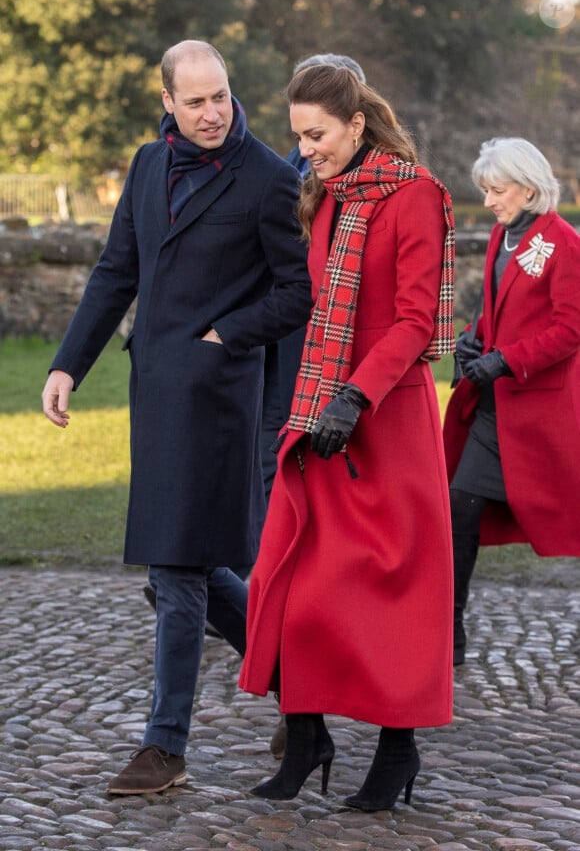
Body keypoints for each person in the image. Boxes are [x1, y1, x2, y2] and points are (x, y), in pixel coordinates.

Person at [41, 40, 312, 796]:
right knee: (193, 567)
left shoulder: (265, 178)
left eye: (220, 96)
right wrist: (67, 364)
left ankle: (165, 746)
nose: (212, 112)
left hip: (221, 401)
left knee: (176, 567)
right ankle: (301, 686)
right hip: (155, 396)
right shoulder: (146, 165)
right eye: (194, 101)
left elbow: (297, 294)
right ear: (167, 101)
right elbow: (115, 272)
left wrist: (226, 335)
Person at [239, 64, 456, 811]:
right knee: (295, 582)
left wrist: (356, 396)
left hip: (384, 419)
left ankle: (398, 753)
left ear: (356, 125)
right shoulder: (326, 198)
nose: (304, 151)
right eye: (297, 136)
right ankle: (307, 739)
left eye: (317, 135)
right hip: (320, 413)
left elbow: (415, 322)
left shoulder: (416, 195)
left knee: (393, 594)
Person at [443, 137, 580, 667]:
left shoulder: (563, 243)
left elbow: (570, 329)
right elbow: (499, 311)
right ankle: (449, 628)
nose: (490, 202)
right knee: (459, 505)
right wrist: (473, 339)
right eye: (487, 191)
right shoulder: (505, 233)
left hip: (536, 411)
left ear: (528, 188)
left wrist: (506, 360)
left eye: (497, 191)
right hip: (495, 408)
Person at [261, 53, 367, 501]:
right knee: (274, 448)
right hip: (284, 333)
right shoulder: (283, 170)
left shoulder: (373, 179)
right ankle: (270, 560)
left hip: (341, 335)